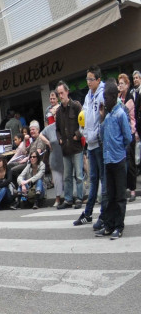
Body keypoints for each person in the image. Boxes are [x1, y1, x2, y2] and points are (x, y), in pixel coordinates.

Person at [98, 80, 131, 239]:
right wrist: (102, 118)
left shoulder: (120, 114)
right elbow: (101, 136)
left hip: (118, 160)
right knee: (110, 196)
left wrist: (119, 150)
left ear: (114, 97)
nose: (105, 100)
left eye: (107, 97)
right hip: (107, 161)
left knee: (119, 196)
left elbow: (128, 138)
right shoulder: (108, 116)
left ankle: (119, 226)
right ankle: (109, 225)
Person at [81, 67, 106, 229]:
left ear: (98, 79)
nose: (88, 82)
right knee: (93, 180)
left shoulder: (102, 94)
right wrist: (83, 132)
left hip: (99, 144)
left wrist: (96, 134)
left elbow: (102, 117)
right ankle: (88, 213)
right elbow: (82, 116)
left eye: (91, 79)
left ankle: (104, 215)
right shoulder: (87, 96)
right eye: (87, 79)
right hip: (90, 144)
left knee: (103, 181)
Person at [54, 81, 85, 212]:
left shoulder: (76, 106)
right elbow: (57, 130)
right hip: (65, 149)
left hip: (76, 147)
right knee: (67, 176)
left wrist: (78, 135)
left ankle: (79, 198)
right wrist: (60, 139)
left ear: (67, 92)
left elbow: (83, 122)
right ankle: (68, 199)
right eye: (58, 94)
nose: (60, 95)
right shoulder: (59, 111)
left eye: (62, 93)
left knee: (78, 175)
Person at [117, 73, 137, 202]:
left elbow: (131, 117)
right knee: (122, 163)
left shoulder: (130, 98)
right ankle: (123, 189)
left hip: (130, 133)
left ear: (127, 84)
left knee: (130, 164)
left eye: (122, 84)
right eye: (118, 84)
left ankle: (133, 190)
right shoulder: (118, 98)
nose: (119, 86)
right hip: (120, 136)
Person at [42, 91, 64, 207]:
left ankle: (69, 196)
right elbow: (45, 126)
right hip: (53, 145)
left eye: (53, 98)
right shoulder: (47, 110)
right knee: (55, 172)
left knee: (66, 174)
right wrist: (48, 140)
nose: (51, 100)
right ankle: (58, 198)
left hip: (63, 148)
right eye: (50, 98)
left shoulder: (61, 108)